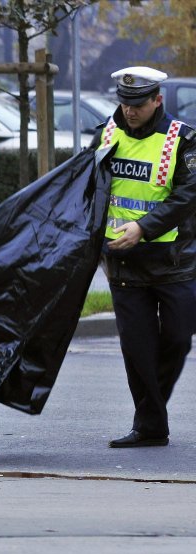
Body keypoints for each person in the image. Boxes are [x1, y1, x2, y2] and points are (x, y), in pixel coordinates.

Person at [92, 66, 196, 448]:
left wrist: (143, 227)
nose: (130, 110)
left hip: (174, 262)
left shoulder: (182, 140)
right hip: (123, 263)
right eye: (124, 102)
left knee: (178, 339)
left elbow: (188, 195)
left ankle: (151, 413)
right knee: (137, 349)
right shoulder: (105, 133)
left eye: (138, 103)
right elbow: (88, 186)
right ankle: (151, 424)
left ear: (157, 100)